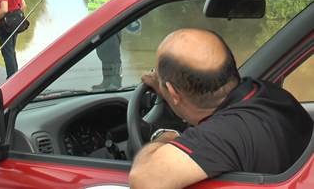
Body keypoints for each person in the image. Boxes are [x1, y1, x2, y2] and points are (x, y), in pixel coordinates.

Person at [129, 28, 313, 189]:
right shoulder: (270, 93)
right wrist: (164, 87)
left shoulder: (220, 136)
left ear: (173, 93)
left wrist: (164, 137)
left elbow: (143, 180)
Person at [87, 0, 123, 90]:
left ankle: (116, 83)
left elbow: (120, 4)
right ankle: (106, 82)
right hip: (97, 27)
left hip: (111, 26)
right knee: (103, 55)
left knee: (113, 56)